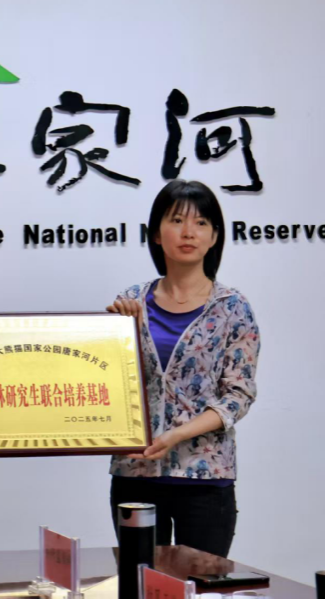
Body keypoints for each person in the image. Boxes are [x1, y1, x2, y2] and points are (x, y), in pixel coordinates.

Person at [107, 180, 259, 558]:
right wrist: (116, 333)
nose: (189, 232)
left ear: (214, 237)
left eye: (201, 223)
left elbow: (238, 396)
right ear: (156, 234)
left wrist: (177, 435)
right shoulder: (131, 303)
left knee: (202, 584)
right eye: (176, 220)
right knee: (139, 582)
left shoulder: (233, 307)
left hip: (206, 478)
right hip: (135, 474)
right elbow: (108, 385)